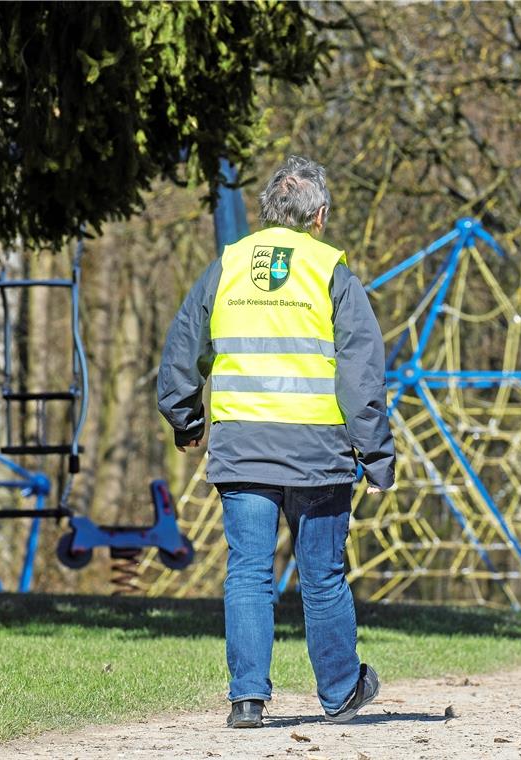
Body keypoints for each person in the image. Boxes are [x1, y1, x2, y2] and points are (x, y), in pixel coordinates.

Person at [158, 155, 395, 728]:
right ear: (320, 215)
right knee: (323, 576)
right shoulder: (331, 270)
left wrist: (187, 420)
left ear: (266, 213)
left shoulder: (228, 265)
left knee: (247, 573)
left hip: (242, 450)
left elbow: (183, 349)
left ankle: (247, 699)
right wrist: (376, 454)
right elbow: (360, 375)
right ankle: (339, 691)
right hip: (318, 454)